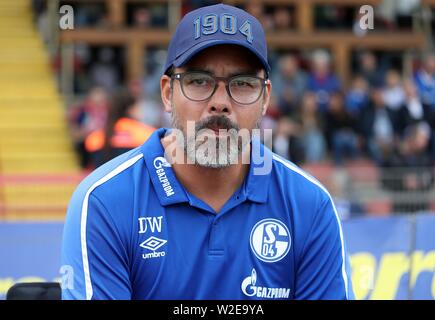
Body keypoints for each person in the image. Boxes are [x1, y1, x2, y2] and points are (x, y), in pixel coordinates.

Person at [61, 4, 354, 300]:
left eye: (242, 84)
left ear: (265, 99)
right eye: (199, 81)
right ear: (167, 93)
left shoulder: (309, 205)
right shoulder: (105, 201)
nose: (220, 102)